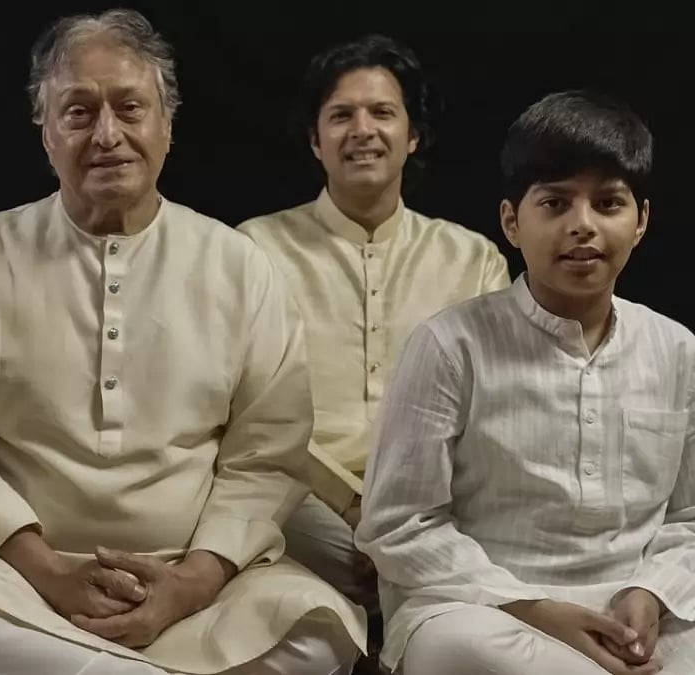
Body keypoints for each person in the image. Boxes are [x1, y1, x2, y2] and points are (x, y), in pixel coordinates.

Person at [0, 9, 367, 675]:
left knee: (318, 630)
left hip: (194, 579)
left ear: (166, 123)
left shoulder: (237, 264)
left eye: (130, 107)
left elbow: (267, 454)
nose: (108, 134)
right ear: (46, 132)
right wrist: (46, 568)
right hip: (18, 574)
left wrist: (190, 582)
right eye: (78, 112)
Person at [356, 90, 695, 674]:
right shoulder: (450, 345)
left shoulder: (677, 350)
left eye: (608, 204)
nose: (583, 226)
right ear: (512, 222)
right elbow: (398, 523)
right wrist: (535, 608)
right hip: (489, 606)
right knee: (456, 649)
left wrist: (652, 593)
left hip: (633, 610)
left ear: (640, 222)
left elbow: (688, 519)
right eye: (556, 203)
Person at [238, 34, 510, 610]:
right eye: (341, 115)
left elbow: (490, 410)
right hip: (302, 502)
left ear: (412, 136)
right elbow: (251, 410)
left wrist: (403, 516)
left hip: (439, 501)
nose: (362, 130)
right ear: (316, 140)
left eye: (382, 113)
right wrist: (355, 510)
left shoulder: (474, 258)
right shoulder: (255, 249)